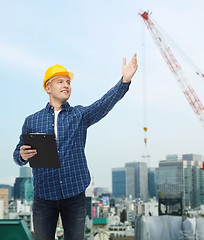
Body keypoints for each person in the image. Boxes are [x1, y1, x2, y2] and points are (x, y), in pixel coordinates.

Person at [13, 53, 138, 240]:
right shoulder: (32, 121)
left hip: (74, 195)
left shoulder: (79, 115)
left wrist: (124, 81)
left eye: (68, 82)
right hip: (44, 198)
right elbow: (17, 155)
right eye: (60, 82)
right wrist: (22, 155)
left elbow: (104, 103)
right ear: (48, 87)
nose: (66, 85)